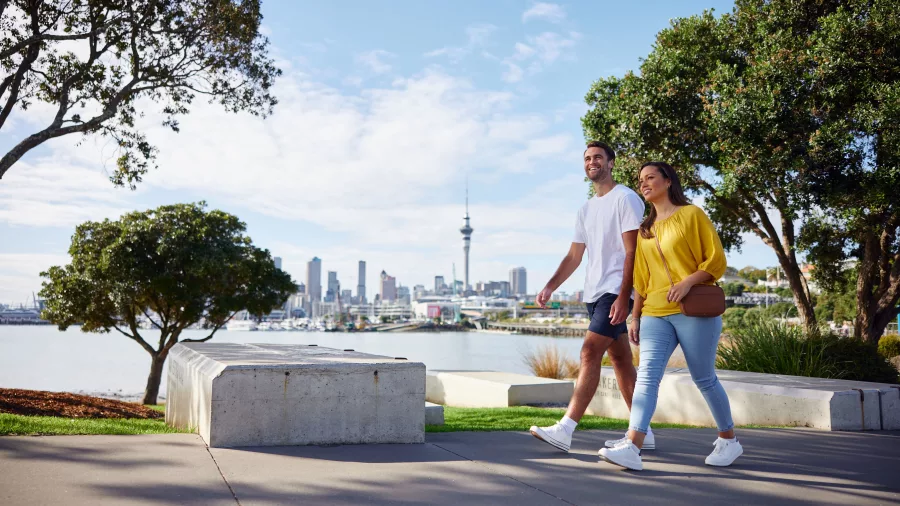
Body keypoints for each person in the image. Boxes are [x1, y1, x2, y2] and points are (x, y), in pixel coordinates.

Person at [598, 161, 743, 471]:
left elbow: (715, 260)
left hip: (694, 310)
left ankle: (729, 440)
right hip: (654, 313)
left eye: (651, 177)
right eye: (640, 180)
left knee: (704, 378)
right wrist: (635, 316)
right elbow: (642, 277)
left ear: (667, 181)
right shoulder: (644, 230)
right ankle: (632, 446)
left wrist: (687, 281)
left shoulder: (692, 215)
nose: (644, 183)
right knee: (647, 377)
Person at [529, 141, 655, 453]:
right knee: (622, 360)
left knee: (588, 353)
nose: (591, 162)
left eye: (598, 157)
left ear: (611, 162)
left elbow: (633, 252)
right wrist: (550, 286)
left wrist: (623, 297)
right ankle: (644, 432)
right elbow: (574, 256)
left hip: (615, 291)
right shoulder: (585, 209)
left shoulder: (626, 198)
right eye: (587, 158)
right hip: (594, 292)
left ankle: (565, 428)